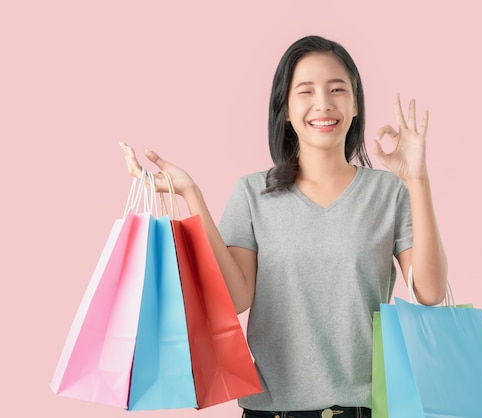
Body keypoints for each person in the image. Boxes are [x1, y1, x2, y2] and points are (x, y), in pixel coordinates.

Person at [120, 35, 447, 418]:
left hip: (363, 409)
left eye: (337, 89)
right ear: (286, 110)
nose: (323, 103)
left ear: (355, 103)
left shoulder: (387, 191)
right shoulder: (253, 193)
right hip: (271, 412)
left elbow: (429, 290)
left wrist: (418, 179)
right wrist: (191, 194)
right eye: (305, 91)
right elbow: (236, 297)